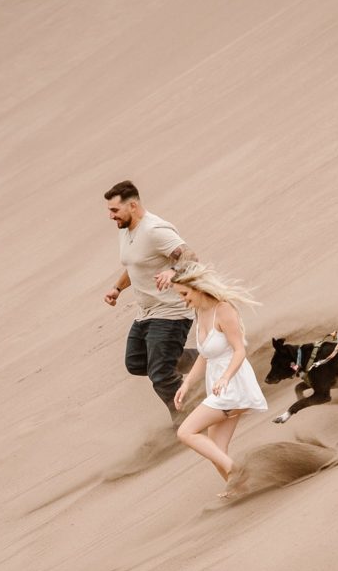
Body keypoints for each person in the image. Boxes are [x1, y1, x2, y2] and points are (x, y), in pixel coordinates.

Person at [103, 180, 199, 424]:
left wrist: (173, 271)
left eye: (114, 210)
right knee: (136, 362)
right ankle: (203, 359)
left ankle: (187, 416)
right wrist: (117, 288)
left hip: (170, 312)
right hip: (146, 313)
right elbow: (134, 264)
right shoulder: (126, 231)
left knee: (161, 373)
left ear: (132, 205)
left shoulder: (155, 230)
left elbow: (190, 255)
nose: (110, 216)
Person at [171, 262, 267, 491]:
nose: (183, 300)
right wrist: (186, 384)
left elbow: (239, 350)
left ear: (197, 287)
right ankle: (241, 491)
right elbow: (205, 355)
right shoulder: (200, 312)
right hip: (218, 385)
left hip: (233, 384)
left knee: (186, 432)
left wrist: (225, 378)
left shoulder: (223, 310)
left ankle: (237, 471)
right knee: (215, 449)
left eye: (184, 294)